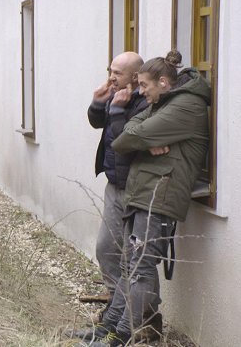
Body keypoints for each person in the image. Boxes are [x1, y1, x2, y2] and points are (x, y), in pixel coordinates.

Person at [88, 50, 210, 346]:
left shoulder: (185, 106)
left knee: (139, 267)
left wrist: (142, 138)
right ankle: (110, 329)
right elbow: (127, 134)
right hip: (143, 190)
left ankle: (123, 334)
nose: (141, 93)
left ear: (164, 82)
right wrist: (141, 137)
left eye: (144, 86)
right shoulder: (162, 101)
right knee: (130, 264)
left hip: (159, 194)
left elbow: (129, 139)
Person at [86, 52, 148, 317]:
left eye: (117, 73)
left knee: (131, 255)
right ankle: (115, 299)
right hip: (114, 183)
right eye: (110, 71)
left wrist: (118, 109)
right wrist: (99, 104)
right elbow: (98, 123)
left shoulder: (145, 101)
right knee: (105, 247)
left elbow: (126, 142)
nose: (111, 77)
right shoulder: (116, 94)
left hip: (134, 187)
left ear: (135, 76)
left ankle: (139, 315)